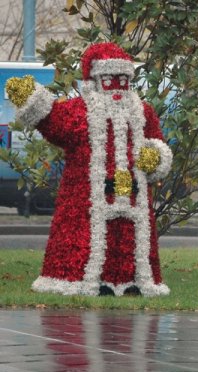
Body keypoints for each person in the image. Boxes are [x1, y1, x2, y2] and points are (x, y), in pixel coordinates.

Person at [5, 43, 172, 297]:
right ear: (94, 81)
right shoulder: (80, 112)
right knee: (89, 234)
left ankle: (132, 281)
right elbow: (54, 122)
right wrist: (30, 99)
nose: (117, 88)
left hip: (132, 190)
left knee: (128, 234)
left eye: (123, 81)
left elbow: (157, 142)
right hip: (85, 194)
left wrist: (155, 158)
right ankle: (91, 280)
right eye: (109, 80)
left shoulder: (143, 112)